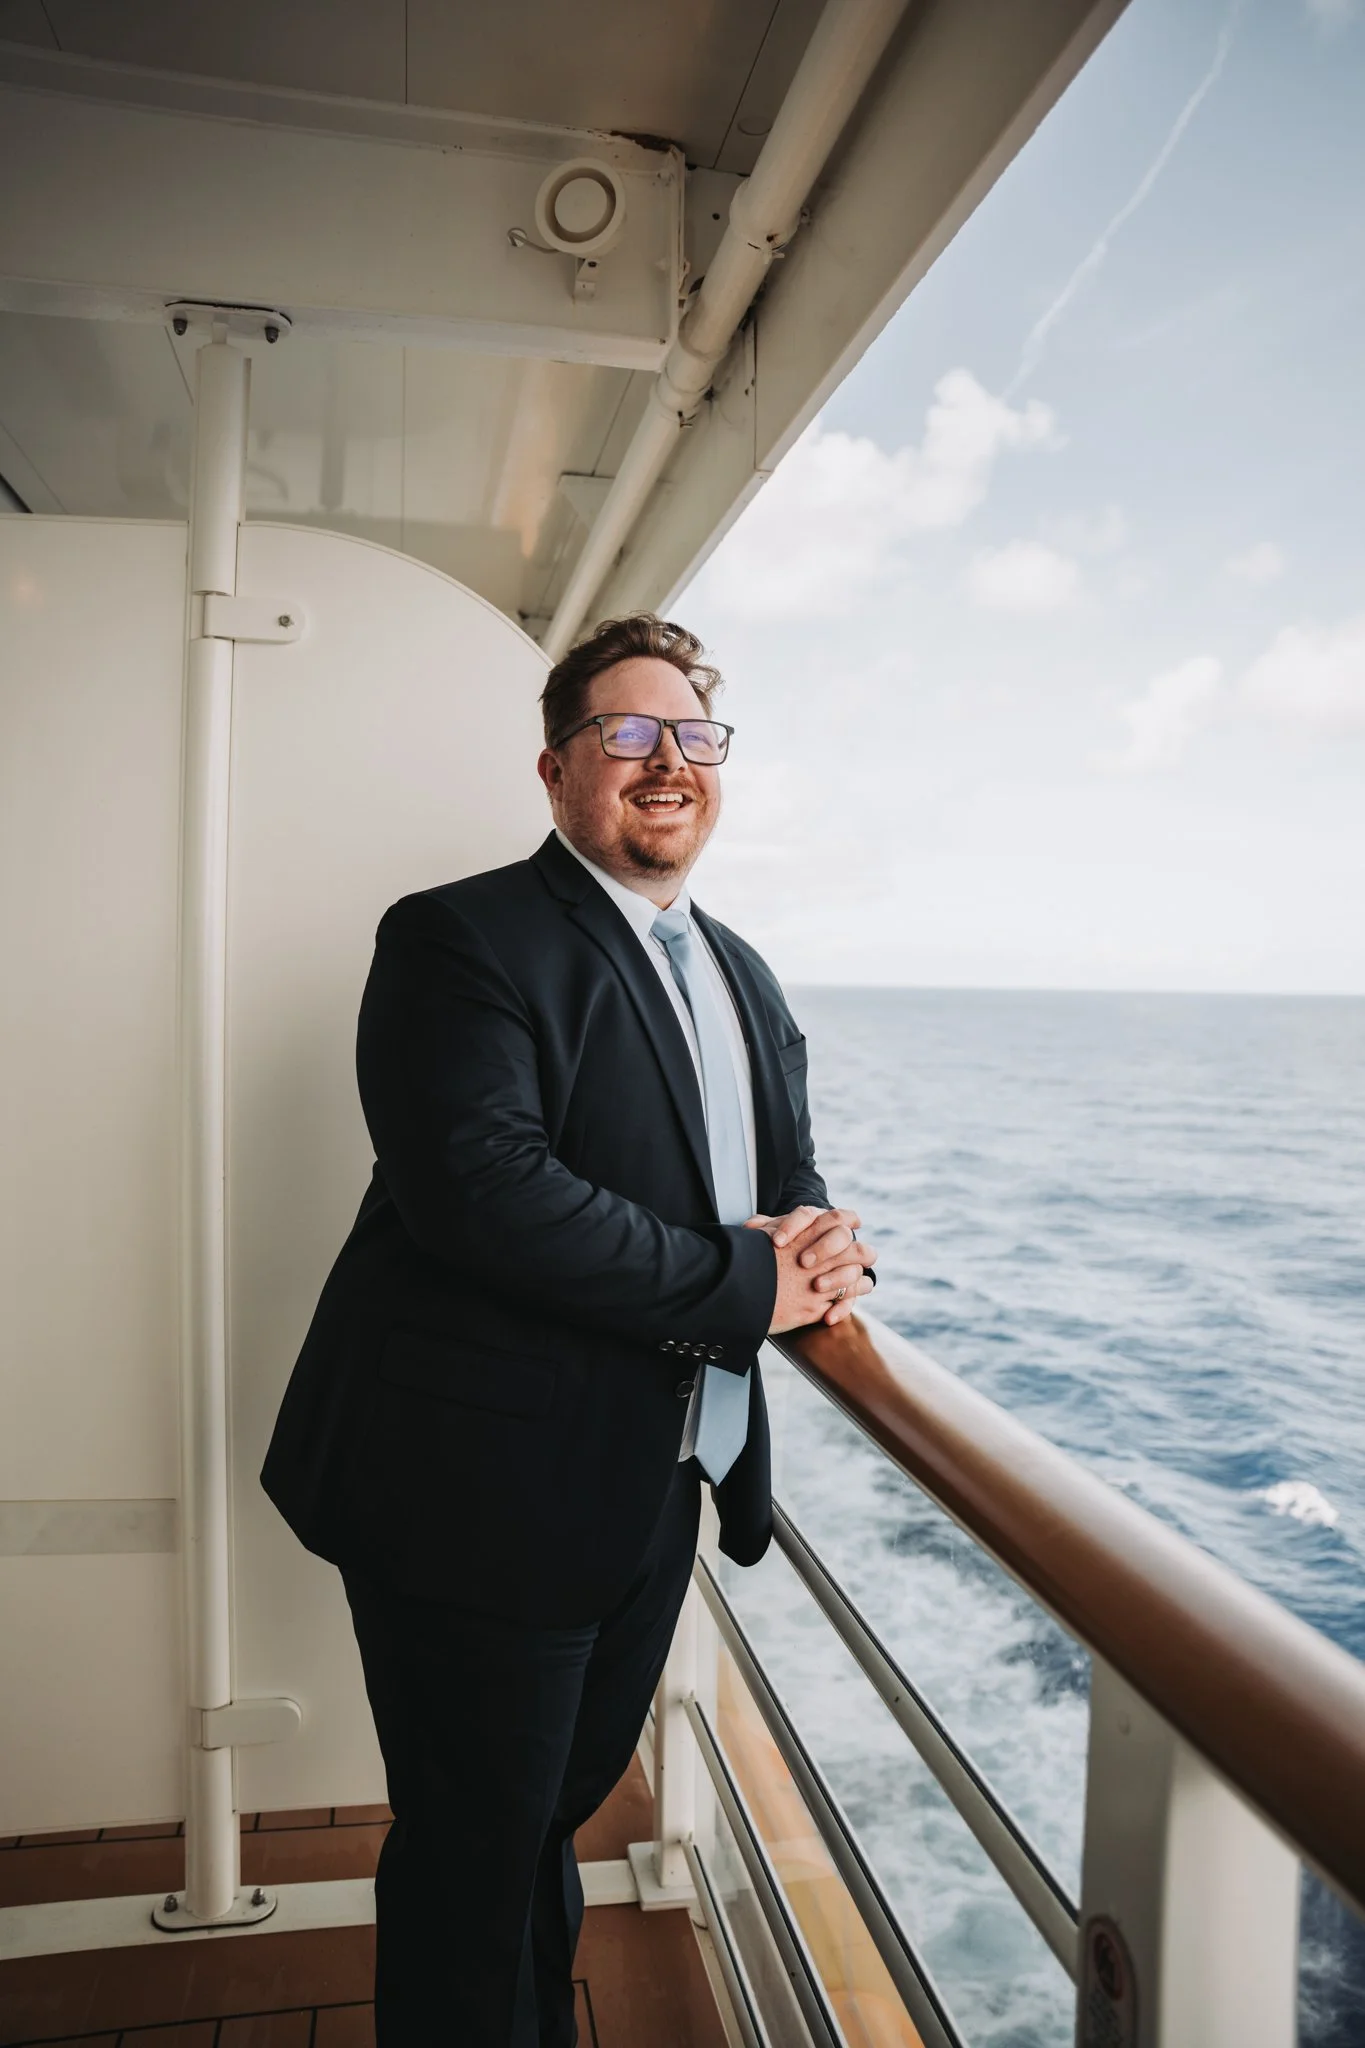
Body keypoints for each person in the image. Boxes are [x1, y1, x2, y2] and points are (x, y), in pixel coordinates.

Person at [261, 612, 876, 2045]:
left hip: (648, 1484)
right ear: (556, 772)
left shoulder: (741, 972)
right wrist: (745, 1287)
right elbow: (480, 1190)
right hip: (473, 1491)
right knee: (477, 1855)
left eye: (696, 737)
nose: (670, 762)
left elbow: (777, 1180)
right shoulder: (459, 939)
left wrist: (826, 1245)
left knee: (539, 1823)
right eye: (629, 733)